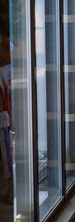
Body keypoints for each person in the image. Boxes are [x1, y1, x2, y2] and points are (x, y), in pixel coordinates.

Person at [0, 36, 13, 204]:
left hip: (2, 116)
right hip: (3, 115)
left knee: (6, 158)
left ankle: (10, 191)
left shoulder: (6, 69)